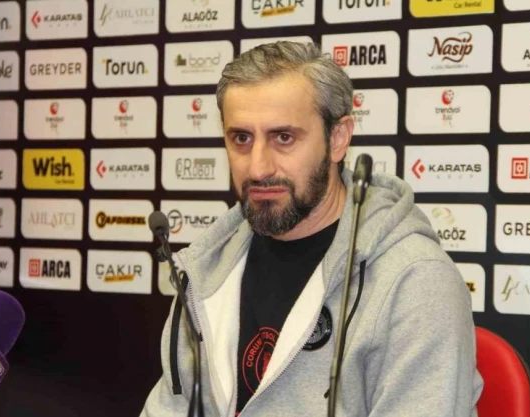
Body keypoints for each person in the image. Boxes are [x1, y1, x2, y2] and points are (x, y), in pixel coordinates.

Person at [140, 41, 483, 417]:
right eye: (242, 139)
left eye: (283, 138)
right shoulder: (206, 269)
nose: (258, 168)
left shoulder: (414, 281)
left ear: (337, 139)